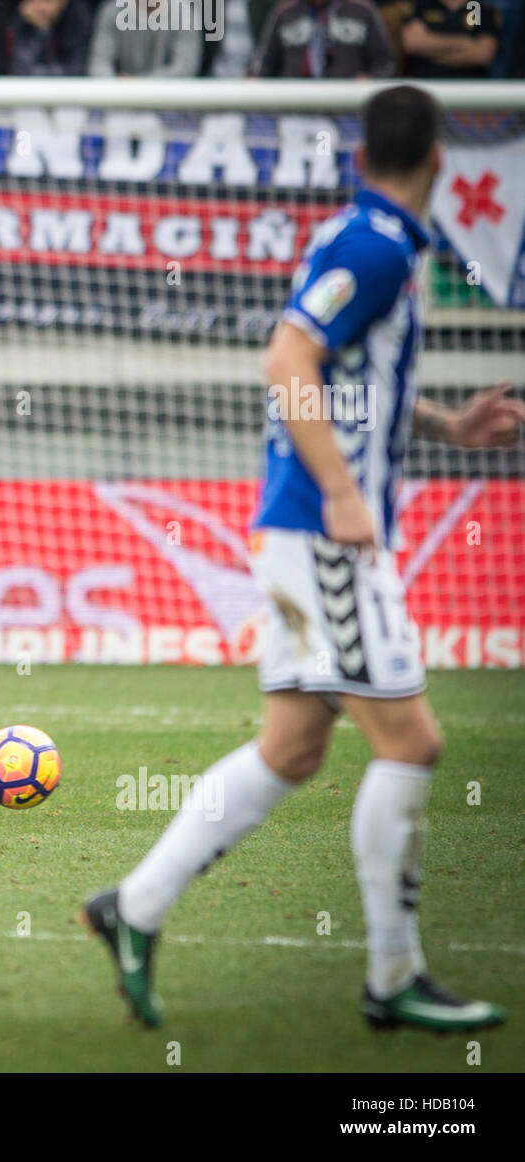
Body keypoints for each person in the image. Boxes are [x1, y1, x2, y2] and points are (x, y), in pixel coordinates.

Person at [85, 85, 521, 1032]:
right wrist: (339, 492)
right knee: (414, 742)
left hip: (303, 530)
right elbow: (288, 361)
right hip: (321, 534)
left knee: (293, 744)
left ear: (363, 154)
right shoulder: (375, 246)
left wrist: (448, 425)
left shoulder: (366, 239)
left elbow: (344, 382)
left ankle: (135, 907)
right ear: (439, 158)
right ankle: (392, 977)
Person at [252, 0, 395, 76]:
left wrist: (370, 79)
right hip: (295, 106)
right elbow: (264, 64)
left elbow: (386, 63)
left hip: (348, 104)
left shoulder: (362, 9)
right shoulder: (284, 12)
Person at [400, 0, 502, 78]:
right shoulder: (421, 6)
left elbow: (482, 54)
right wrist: (463, 42)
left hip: (471, 88)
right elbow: (413, 44)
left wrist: (431, 50)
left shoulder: (481, 9)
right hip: (425, 84)